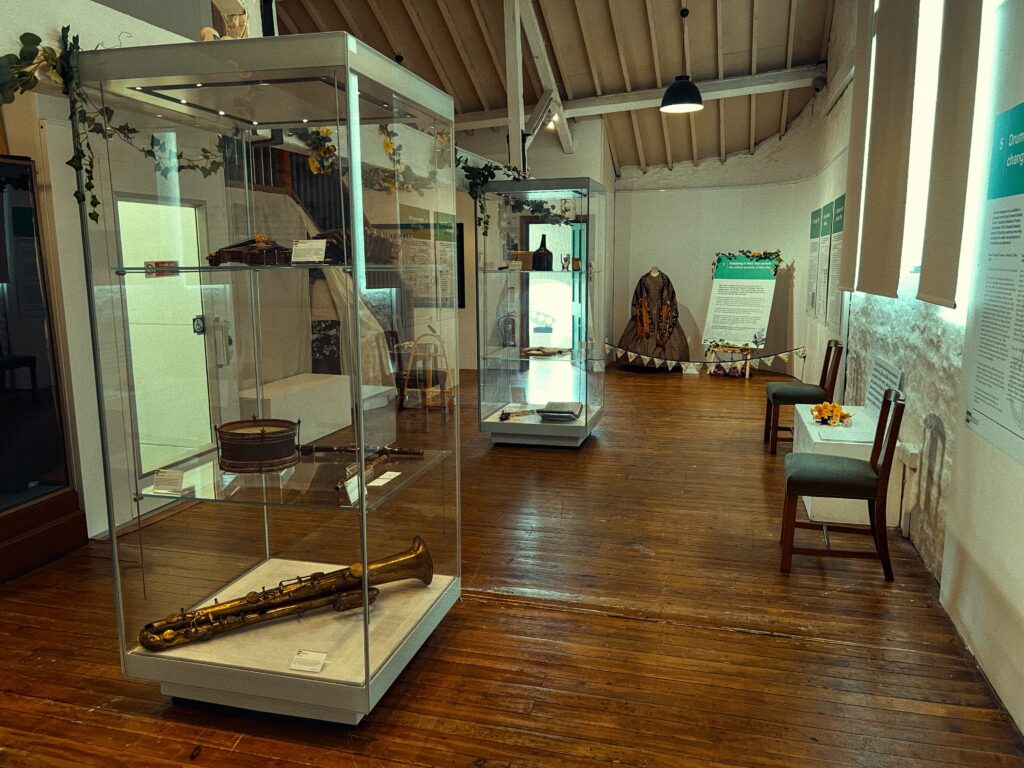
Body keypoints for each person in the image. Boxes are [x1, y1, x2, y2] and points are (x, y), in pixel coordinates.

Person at [617, 267, 690, 364]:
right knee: (641, 339)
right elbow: (637, 297)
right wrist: (637, 315)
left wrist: (669, 313)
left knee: (667, 339)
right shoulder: (643, 279)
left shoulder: (664, 278)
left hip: (662, 313)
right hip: (645, 313)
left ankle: (665, 362)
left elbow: (670, 297)